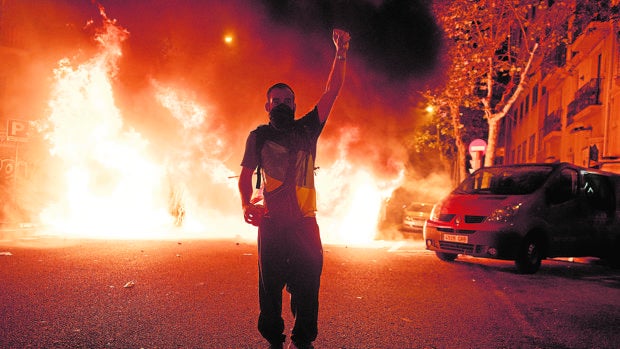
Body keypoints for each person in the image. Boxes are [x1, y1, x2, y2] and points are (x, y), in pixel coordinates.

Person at [238, 29, 350, 349]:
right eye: (276, 100)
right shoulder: (257, 137)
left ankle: (303, 341)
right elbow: (246, 176)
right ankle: (274, 339)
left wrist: (341, 51)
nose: (282, 104)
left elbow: (332, 91)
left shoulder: (308, 129)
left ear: (295, 104)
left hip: (304, 223)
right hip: (271, 225)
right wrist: (247, 204)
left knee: (309, 284)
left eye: (288, 100)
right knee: (269, 288)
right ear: (267, 105)